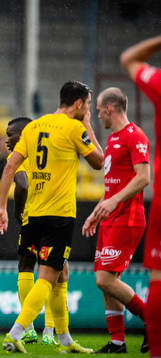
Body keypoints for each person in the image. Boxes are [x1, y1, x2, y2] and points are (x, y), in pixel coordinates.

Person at [0, 81, 104, 353]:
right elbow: (99, 162)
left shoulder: (33, 127)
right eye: (87, 105)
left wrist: (0, 207)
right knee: (49, 275)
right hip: (59, 215)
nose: (87, 109)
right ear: (78, 104)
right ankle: (16, 333)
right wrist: (87, 124)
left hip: (33, 214)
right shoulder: (74, 128)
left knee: (53, 274)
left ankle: (64, 339)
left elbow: (9, 166)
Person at [81, 87, 150, 353]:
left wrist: (112, 202)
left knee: (104, 280)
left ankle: (153, 322)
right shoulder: (112, 140)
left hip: (128, 218)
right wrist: (97, 212)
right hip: (110, 218)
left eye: (99, 110)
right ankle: (118, 342)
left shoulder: (135, 136)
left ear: (109, 108)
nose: (99, 115)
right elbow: (112, 187)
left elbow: (144, 178)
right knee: (106, 284)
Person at [121, 34, 161, 358]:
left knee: (156, 276)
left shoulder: (135, 136)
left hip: (138, 209)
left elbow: (130, 58)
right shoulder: (122, 137)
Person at [5, 117, 58, 346]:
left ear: (23, 133)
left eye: (11, 135)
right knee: (55, 273)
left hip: (33, 218)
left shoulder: (19, 155)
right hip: (57, 216)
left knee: (26, 266)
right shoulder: (49, 153)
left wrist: (18, 211)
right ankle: (50, 331)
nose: (7, 140)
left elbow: (22, 184)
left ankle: (27, 328)